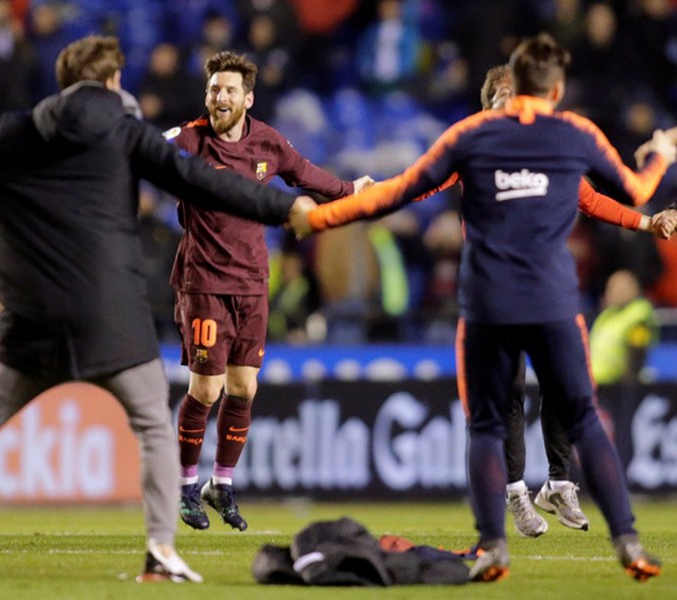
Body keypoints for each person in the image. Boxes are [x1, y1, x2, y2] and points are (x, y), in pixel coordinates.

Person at [0, 36, 315, 581]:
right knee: (155, 429)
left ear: (64, 83)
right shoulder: (127, 138)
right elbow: (208, 183)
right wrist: (289, 207)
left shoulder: (11, 135)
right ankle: (161, 552)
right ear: (112, 82)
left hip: (31, 325)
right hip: (112, 323)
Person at [294, 33, 675, 582]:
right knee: (586, 417)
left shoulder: (471, 135)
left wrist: (322, 216)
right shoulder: (574, 134)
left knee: (486, 427)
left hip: (488, 303)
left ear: (511, 85)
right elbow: (638, 187)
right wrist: (660, 154)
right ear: (557, 87)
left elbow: (396, 192)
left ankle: (493, 545)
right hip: (551, 299)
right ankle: (630, 542)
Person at [166, 50, 374, 532]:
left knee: (244, 386)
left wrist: (349, 190)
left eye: (229, 91)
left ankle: (223, 482)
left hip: (253, 282)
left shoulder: (267, 142)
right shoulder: (190, 139)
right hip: (204, 282)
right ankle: (184, 485)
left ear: (248, 98)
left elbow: (308, 174)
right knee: (207, 386)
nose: (219, 97)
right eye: (214, 89)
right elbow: (141, 149)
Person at [476, 64, 676, 539]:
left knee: (565, 384)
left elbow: (592, 200)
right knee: (507, 398)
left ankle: (558, 484)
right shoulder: (471, 153)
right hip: (494, 293)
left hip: (546, 287)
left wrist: (648, 223)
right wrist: (356, 197)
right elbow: (420, 183)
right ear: (488, 108)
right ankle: (517, 495)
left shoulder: (547, 154)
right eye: (504, 97)